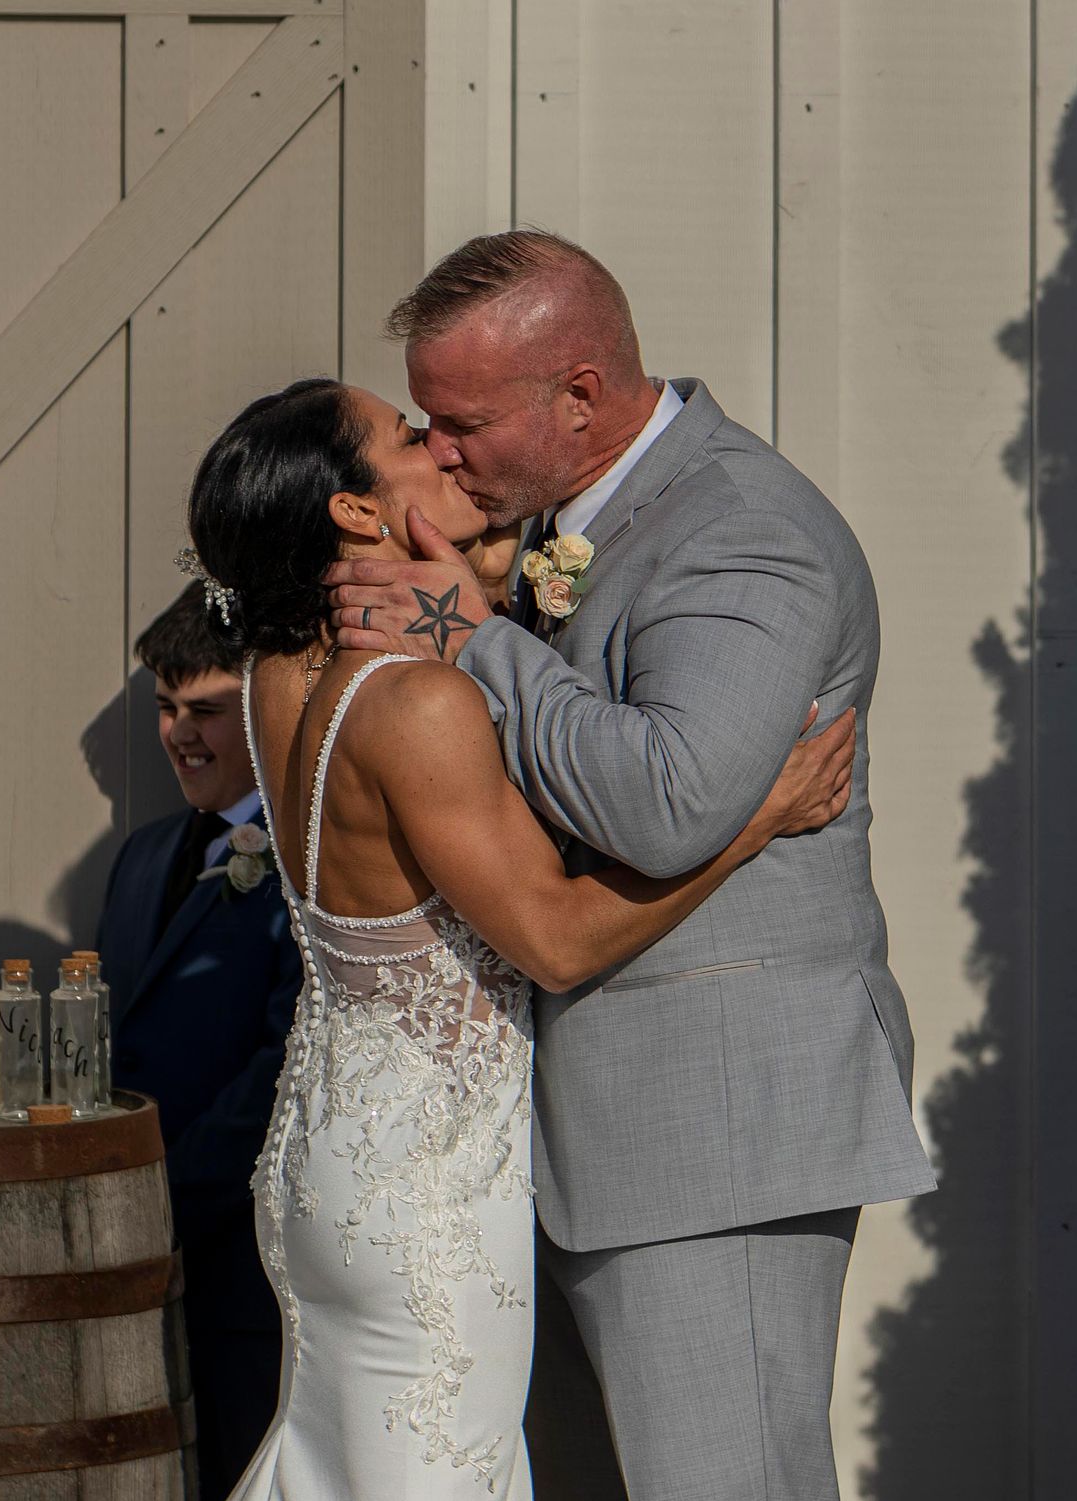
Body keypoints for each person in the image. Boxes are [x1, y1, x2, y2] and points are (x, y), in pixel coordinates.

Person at [325, 230, 938, 1501]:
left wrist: (474, 640)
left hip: (714, 1125)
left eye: (462, 423)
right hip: (577, 1139)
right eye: (427, 422)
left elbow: (664, 804)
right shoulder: (569, 524)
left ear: (581, 394)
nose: (440, 451)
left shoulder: (743, 532)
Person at [182, 376, 856, 1501]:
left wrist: (479, 589)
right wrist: (751, 822)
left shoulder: (276, 678)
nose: (441, 450)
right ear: (356, 509)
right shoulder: (415, 703)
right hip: (428, 1198)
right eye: (408, 436)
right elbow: (554, 938)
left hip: (319, 1158)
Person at [97, 584, 300, 1499]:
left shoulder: (302, 857)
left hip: (241, 1265)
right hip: (133, 1263)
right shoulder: (141, 856)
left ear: (260, 705)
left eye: (205, 710)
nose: (179, 732)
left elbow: (281, 1060)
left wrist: (167, 1192)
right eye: (164, 706)